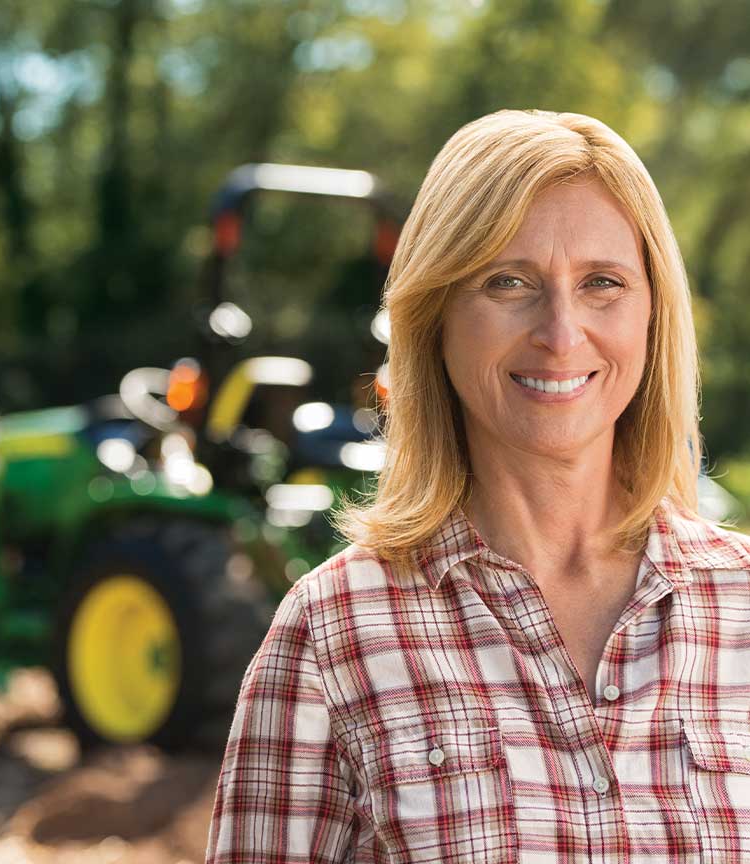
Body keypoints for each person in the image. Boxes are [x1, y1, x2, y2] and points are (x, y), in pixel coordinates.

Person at [205, 110, 750, 863]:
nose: (561, 334)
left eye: (602, 283)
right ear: (434, 318)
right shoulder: (333, 635)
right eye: (507, 281)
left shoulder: (742, 603)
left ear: (653, 314)